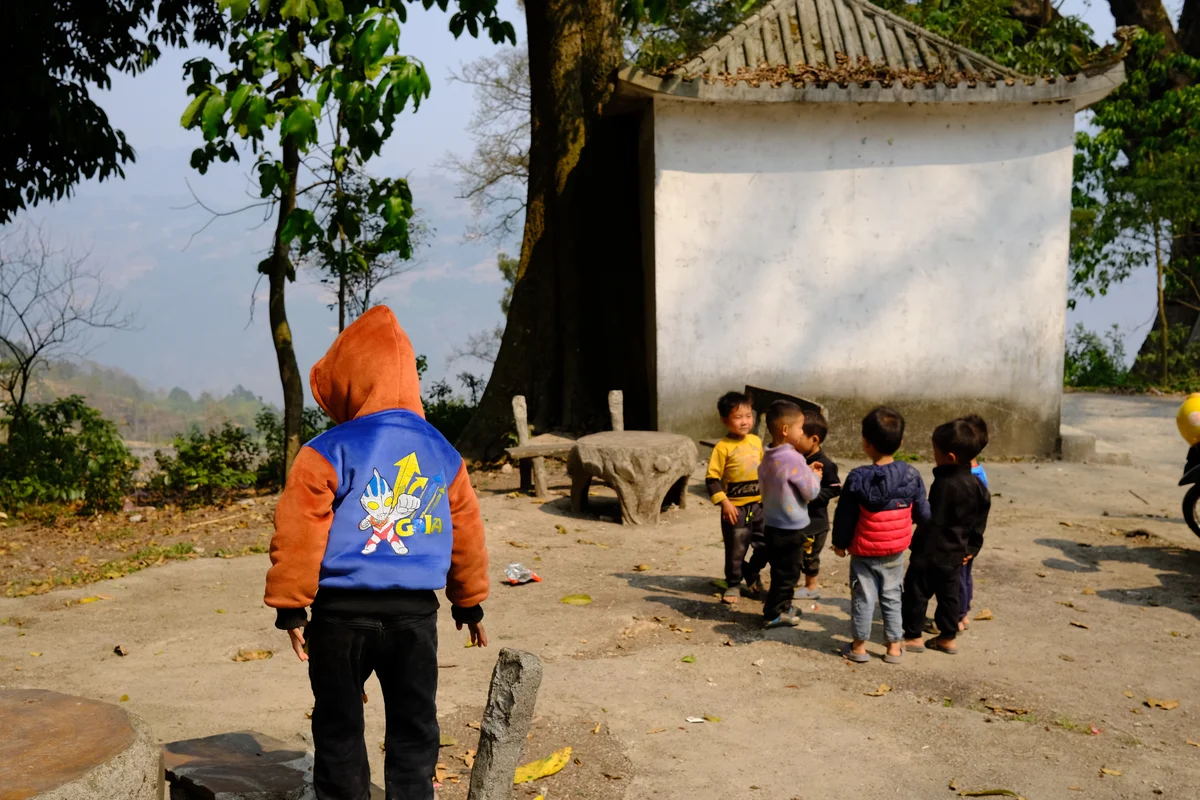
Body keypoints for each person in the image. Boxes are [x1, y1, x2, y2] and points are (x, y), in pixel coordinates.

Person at [264, 307, 489, 800]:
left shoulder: (327, 449)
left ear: (349, 380)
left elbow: (299, 528)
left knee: (339, 725)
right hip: (415, 619)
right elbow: (467, 530)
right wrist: (468, 600)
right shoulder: (443, 451)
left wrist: (290, 605)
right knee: (414, 726)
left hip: (339, 619)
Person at [832, 406, 930, 664]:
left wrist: (839, 544)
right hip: (895, 550)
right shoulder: (911, 475)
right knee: (892, 595)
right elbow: (923, 514)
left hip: (863, 551)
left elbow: (845, 516)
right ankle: (894, 648)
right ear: (901, 442)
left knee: (863, 597)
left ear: (865, 443)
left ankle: (859, 647)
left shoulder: (857, 478)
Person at [902, 418, 991, 656]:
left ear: (949, 457)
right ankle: (948, 637)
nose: (934, 456)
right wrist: (972, 548)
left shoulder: (944, 483)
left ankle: (913, 636)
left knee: (916, 591)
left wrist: (916, 540)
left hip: (930, 552)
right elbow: (979, 521)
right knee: (949, 596)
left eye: (936, 452)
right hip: (956, 553)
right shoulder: (979, 485)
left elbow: (933, 519)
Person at [757, 400, 824, 628]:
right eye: (800, 427)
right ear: (786, 430)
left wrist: (806, 470)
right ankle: (774, 613)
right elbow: (811, 492)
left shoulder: (768, 455)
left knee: (780, 569)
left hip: (772, 524)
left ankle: (783, 606)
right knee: (789, 573)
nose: (802, 432)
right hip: (790, 527)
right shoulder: (793, 458)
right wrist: (815, 476)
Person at [705, 391, 765, 604]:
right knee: (736, 548)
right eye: (738, 417)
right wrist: (725, 503)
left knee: (765, 544)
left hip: (758, 506)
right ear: (725, 420)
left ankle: (751, 571)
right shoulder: (723, 448)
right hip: (735, 510)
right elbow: (711, 479)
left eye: (748, 416)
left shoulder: (756, 442)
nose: (744, 421)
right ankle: (733, 583)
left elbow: (765, 470)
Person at [793, 409, 841, 601]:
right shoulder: (795, 459)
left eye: (799, 436)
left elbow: (836, 488)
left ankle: (811, 587)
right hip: (796, 520)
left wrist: (813, 496)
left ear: (814, 439)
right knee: (796, 553)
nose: (795, 440)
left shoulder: (826, 464)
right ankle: (794, 582)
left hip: (815, 523)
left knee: (810, 556)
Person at [958, 414, 990, 631]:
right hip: (971, 538)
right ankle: (963, 613)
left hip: (961, 537)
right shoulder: (980, 472)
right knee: (965, 576)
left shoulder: (966, 478)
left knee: (957, 577)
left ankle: (957, 616)